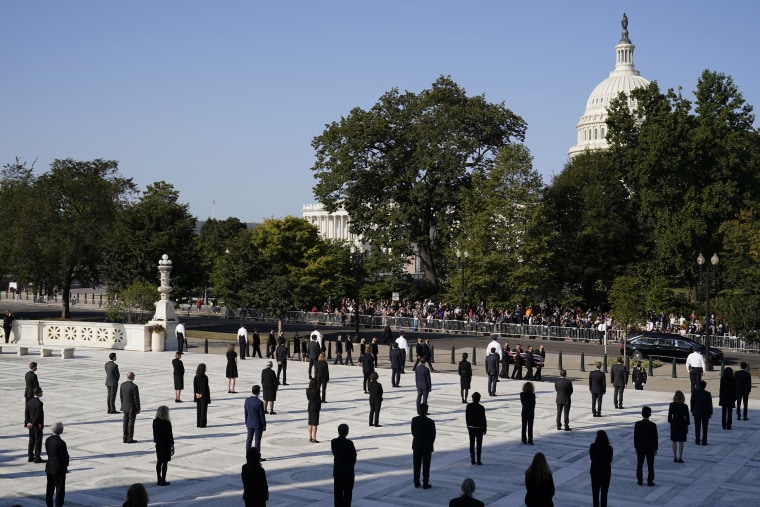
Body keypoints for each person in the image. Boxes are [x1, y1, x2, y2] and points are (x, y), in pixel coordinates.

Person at [411, 402, 436, 489]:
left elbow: (413, 432)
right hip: (427, 446)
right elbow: (433, 435)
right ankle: (425, 483)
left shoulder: (414, 420)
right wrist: (430, 442)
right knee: (426, 465)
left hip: (417, 445)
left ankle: (416, 482)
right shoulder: (430, 422)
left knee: (416, 465)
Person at [331, 423, 357, 507]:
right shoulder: (349, 443)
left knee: (337, 494)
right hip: (348, 472)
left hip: (338, 471)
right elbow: (353, 457)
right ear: (347, 432)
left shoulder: (333, 442)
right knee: (347, 495)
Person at [45, 421, 69, 507]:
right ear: (60, 430)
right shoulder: (61, 442)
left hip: (50, 467)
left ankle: (49, 504)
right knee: (60, 489)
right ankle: (58, 505)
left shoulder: (48, 440)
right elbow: (65, 457)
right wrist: (66, 465)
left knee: (50, 488)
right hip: (59, 468)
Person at [634, 406, 658, 486]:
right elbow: (655, 438)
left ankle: (639, 480)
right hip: (650, 447)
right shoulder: (653, 425)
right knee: (650, 465)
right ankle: (650, 480)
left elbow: (635, 437)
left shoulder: (638, 424)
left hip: (640, 447)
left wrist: (636, 447)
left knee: (639, 464)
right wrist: (655, 448)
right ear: (650, 414)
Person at [589, 430, 612, 507]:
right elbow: (609, 460)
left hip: (595, 472)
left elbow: (592, 458)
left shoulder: (593, 446)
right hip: (605, 473)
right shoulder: (609, 448)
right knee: (604, 494)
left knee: (595, 494)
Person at [152, 405, 175, 486]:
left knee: (159, 461)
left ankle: (159, 478)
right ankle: (163, 479)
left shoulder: (155, 421)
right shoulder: (167, 423)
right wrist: (172, 445)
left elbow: (154, 433)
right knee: (165, 462)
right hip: (166, 444)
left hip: (158, 443)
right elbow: (170, 435)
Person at [668, 390, 689, 463]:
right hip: (682, 424)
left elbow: (669, 417)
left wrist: (671, 422)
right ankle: (680, 457)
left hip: (674, 424)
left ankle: (674, 456)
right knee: (681, 442)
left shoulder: (672, 405)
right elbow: (687, 418)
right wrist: (687, 425)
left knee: (674, 441)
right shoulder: (685, 406)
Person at [465, 392, 486, 465]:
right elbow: (484, 418)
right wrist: (485, 428)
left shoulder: (469, 406)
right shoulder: (481, 407)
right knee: (479, 444)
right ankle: (479, 459)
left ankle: (472, 459)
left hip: (471, 427)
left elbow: (467, 417)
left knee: (472, 443)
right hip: (479, 427)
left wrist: (468, 425)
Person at [244, 385, 267, 453]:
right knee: (257, 441)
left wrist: (246, 422)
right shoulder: (259, 402)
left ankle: (248, 454)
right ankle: (257, 456)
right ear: (258, 392)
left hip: (250, 423)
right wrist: (264, 424)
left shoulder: (247, 400)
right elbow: (262, 415)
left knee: (249, 439)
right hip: (258, 424)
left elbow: (246, 413)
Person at [690, 380, 713, 445]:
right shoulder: (708, 394)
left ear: (699, 386)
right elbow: (709, 404)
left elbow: (692, 402)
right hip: (705, 412)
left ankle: (697, 440)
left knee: (697, 427)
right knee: (705, 427)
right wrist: (710, 412)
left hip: (697, 411)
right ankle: (704, 440)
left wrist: (692, 410)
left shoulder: (694, 392)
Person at [120, 372, 141, 443]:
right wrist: (138, 408)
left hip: (125, 406)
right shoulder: (134, 386)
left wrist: (122, 404)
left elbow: (121, 396)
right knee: (131, 422)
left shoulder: (122, 385)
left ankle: (124, 437)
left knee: (125, 422)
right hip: (132, 407)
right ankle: (130, 438)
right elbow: (136, 399)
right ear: (132, 377)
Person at [25, 387, 45, 463]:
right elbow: (38, 415)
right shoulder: (39, 403)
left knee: (31, 440)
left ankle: (30, 456)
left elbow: (26, 414)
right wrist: (33, 423)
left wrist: (28, 423)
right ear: (39, 393)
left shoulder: (29, 402)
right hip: (37, 425)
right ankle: (37, 457)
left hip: (30, 425)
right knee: (38, 441)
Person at [193, 363, 211, 428]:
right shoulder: (205, 377)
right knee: (203, 410)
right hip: (204, 396)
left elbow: (194, 386)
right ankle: (202, 424)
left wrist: (196, 393)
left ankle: (198, 423)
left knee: (199, 410)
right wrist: (202, 394)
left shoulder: (196, 377)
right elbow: (205, 387)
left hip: (197, 395)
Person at [307, 378, 322, 443]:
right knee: (315, 423)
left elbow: (308, 398)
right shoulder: (317, 391)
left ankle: (310, 437)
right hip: (315, 407)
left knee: (310, 422)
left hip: (310, 406)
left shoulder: (307, 390)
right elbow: (319, 400)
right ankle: (314, 438)